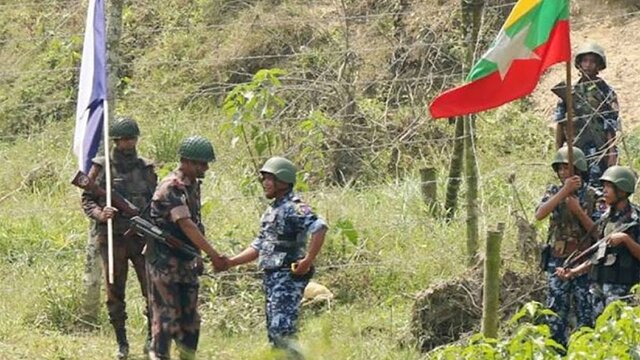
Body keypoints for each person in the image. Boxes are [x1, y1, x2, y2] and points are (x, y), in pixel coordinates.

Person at [224, 156, 327, 358]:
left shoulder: (294, 207)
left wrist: (307, 260)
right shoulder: (272, 210)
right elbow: (260, 245)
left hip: (287, 277)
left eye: (268, 179)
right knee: (275, 333)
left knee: (283, 332)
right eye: (263, 179)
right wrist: (231, 261)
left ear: (282, 180)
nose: (265, 184)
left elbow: (319, 227)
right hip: (272, 278)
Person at [81, 117, 157, 359]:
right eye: (125, 139)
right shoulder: (101, 166)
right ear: (115, 140)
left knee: (152, 290)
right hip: (113, 237)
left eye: (132, 138)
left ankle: (151, 340)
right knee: (115, 291)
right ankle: (122, 344)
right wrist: (101, 214)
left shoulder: (146, 167)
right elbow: (87, 198)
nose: (129, 142)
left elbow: (157, 201)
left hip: (142, 238)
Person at [146, 135, 226, 360]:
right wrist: (213, 254)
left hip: (186, 261)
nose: (206, 168)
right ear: (187, 162)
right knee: (166, 318)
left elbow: (197, 223)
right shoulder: (170, 187)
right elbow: (186, 224)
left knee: (190, 321)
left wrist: (200, 255)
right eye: (202, 163)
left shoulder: (192, 187)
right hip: (165, 263)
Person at [535, 147, 598, 348]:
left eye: (567, 169)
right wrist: (563, 192)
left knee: (585, 312)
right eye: (559, 169)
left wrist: (578, 211)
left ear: (578, 170)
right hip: (557, 259)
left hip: (583, 261)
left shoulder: (592, 195)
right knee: (555, 314)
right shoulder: (554, 192)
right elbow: (539, 214)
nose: (563, 173)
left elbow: (599, 234)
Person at [559, 166, 640, 319]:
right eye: (604, 186)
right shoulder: (605, 219)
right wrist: (573, 272)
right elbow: (598, 255)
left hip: (621, 290)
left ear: (622, 191)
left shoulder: (635, 219)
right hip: (598, 287)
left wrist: (626, 239)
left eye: (609, 187)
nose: (604, 191)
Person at [553, 42, 620, 188]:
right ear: (579, 63)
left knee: (599, 188)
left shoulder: (605, 91)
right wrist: (558, 152)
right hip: (575, 150)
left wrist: (612, 152)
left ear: (599, 65)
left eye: (592, 61)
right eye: (585, 60)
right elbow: (560, 123)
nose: (588, 65)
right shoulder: (569, 92)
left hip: (599, 149)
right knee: (575, 188)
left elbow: (610, 124)